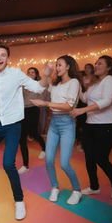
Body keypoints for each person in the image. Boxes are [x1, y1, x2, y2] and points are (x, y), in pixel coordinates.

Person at [0, 44, 52, 220]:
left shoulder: (16, 73)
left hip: (13, 125)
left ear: (7, 58)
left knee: (8, 164)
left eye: (3, 55)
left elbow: (38, 87)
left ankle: (19, 201)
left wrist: (46, 75)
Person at [31, 55, 82, 205]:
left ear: (68, 66)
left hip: (67, 124)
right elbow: (46, 83)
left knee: (65, 163)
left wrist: (46, 103)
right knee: (48, 159)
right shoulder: (56, 84)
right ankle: (55, 187)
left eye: (60, 65)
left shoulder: (74, 82)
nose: (57, 67)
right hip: (54, 123)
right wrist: (46, 73)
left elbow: (69, 106)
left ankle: (77, 190)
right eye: (56, 65)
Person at [71, 55, 112, 199]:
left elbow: (107, 101)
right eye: (96, 63)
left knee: (101, 158)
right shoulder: (94, 83)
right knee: (89, 157)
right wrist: (76, 85)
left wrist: (82, 110)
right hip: (90, 125)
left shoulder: (110, 80)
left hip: (106, 124)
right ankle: (94, 186)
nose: (96, 66)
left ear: (108, 67)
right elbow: (85, 98)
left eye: (100, 64)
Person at [18, 67, 46, 174]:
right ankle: (25, 165)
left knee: (34, 133)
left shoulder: (38, 85)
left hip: (33, 110)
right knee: (22, 138)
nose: (30, 74)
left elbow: (44, 94)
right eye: (28, 72)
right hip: (23, 111)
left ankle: (44, 148)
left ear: (36, 75)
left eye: (32, 72)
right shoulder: (23, 86)